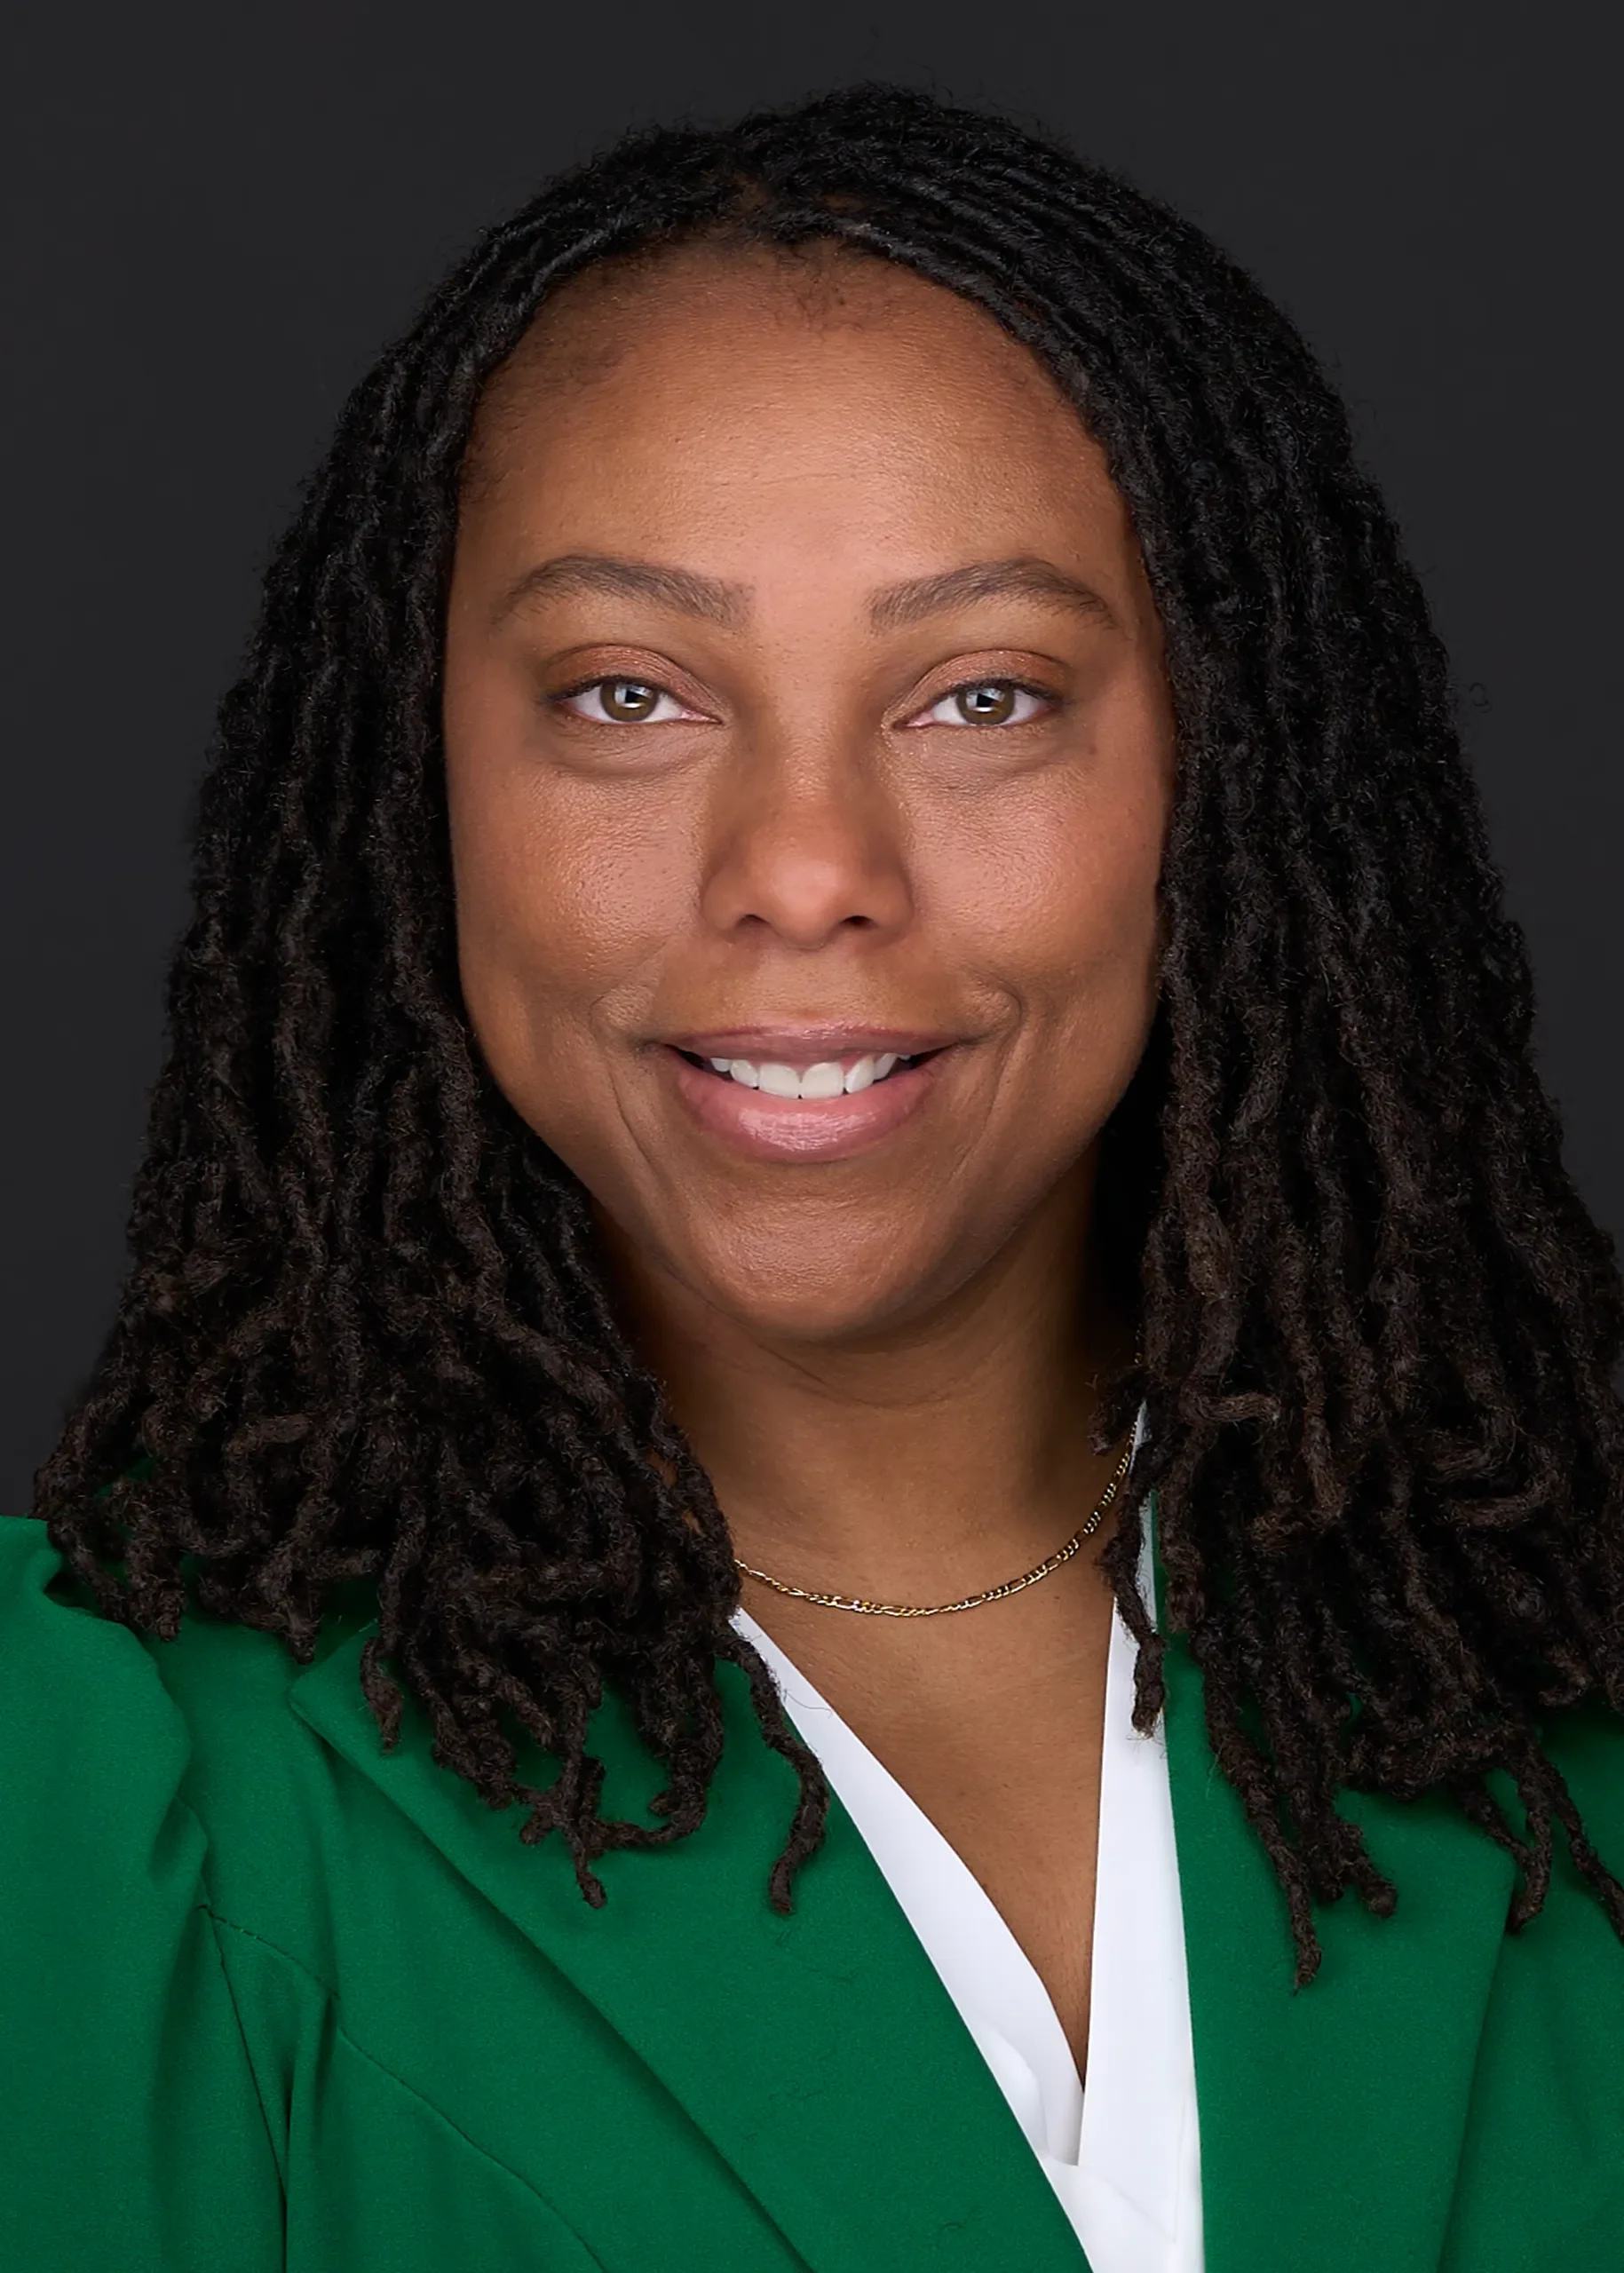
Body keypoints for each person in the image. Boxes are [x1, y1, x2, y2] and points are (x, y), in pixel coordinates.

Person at [3, 82, 1621, 2273]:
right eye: (626, 693)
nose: (800, 873)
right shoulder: (100, 1788)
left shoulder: (1547, 1712)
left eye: (978, 696)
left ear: (1224, 776)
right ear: (418, 784)